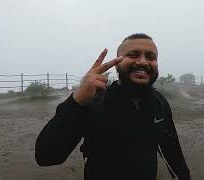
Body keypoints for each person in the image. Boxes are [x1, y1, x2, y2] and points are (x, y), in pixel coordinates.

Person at [35, 33, 190, 180]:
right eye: (133, 55)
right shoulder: (95, 102)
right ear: (117, 64)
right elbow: (46, 157)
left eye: (151, 57)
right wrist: (75, 102)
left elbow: (172, 149)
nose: (143, 62)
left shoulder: (159, 102)